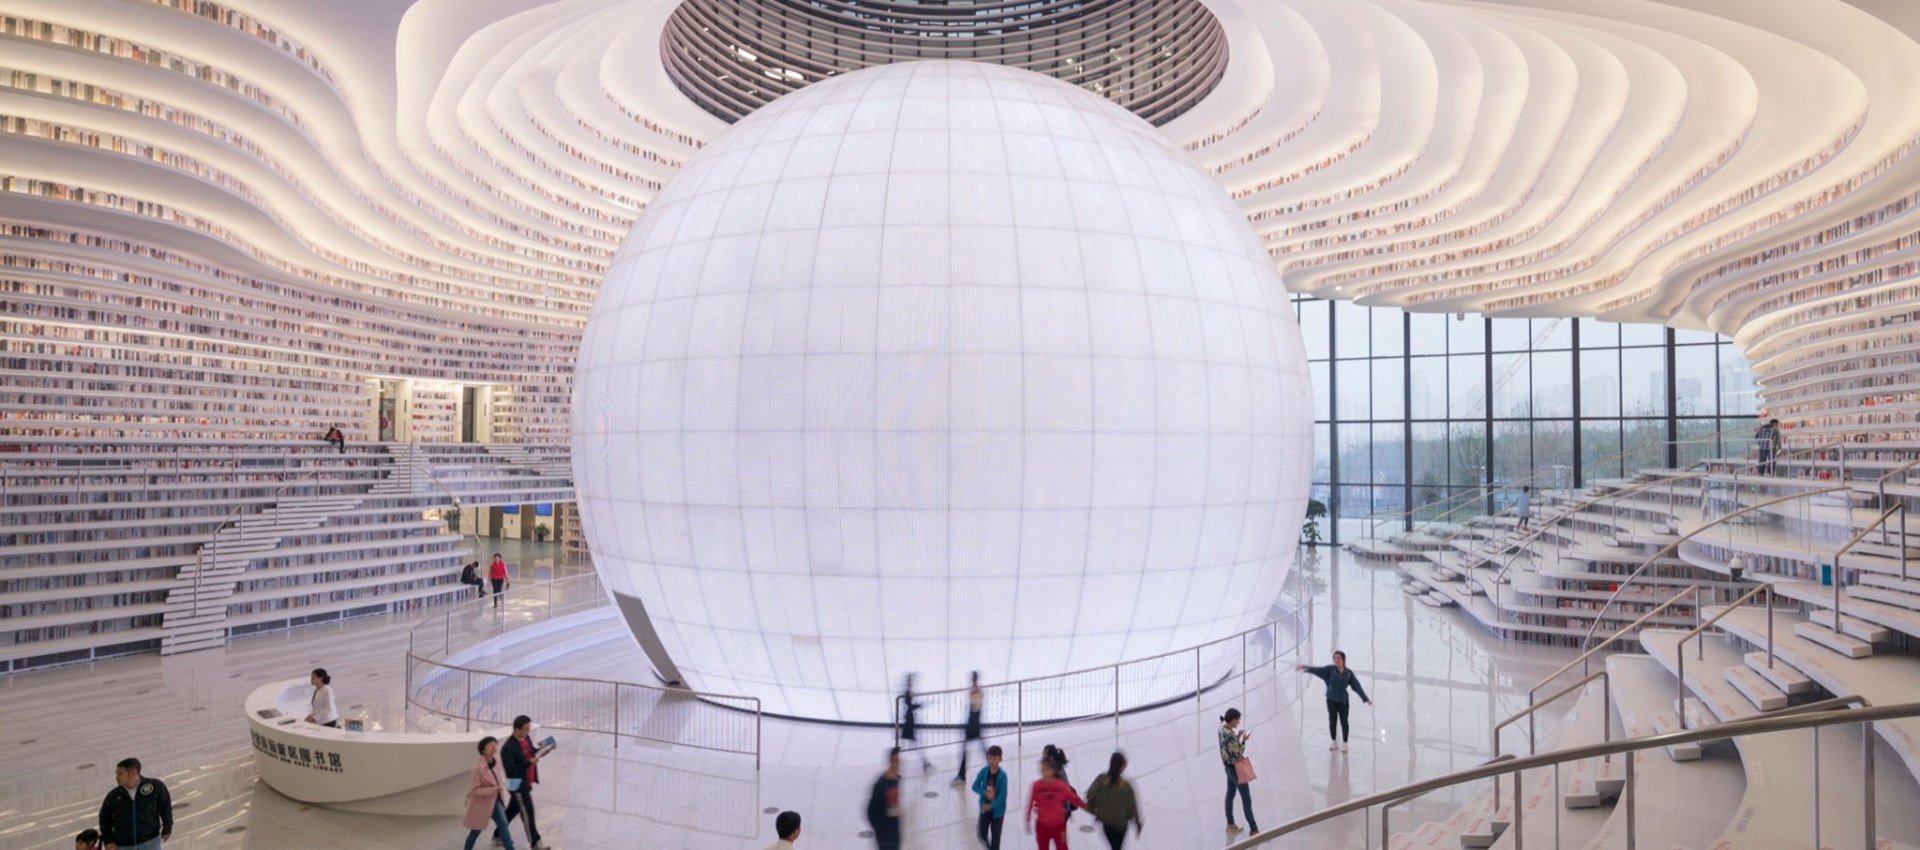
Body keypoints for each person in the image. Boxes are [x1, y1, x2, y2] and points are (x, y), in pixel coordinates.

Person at [1298, 651, 1371, 752]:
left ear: (1343, 660)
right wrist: (1305, 667)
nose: (1336, 660)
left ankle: (1345, 743)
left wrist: (1364, 697)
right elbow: (1317, 670)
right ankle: (1333, 741)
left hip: (1343, 701)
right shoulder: (1329, 670)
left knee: (1344, 722)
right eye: (1334, 658)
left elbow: (1356, 686)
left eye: (1338, 658)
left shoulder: (1348, 673)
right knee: (1333, 721)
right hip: (1331, 700)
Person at [496, 715, 549, 849]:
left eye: (529, 728)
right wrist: (528, 762)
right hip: (516, 785)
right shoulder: (507, 748)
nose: (528, 732)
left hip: (526, 782)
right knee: (528, 812)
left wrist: (543, 750)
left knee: (513, 810)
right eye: (525, 729)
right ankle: (535, 843)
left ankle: (498, 835)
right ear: (516, 729)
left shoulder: (526, 738)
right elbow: (512, 771)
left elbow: (532, 751)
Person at [98, 757, 172, 850]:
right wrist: (108, 840)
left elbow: (165, 807)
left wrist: (167, 827)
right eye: (116, 774)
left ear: (133, 773)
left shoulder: (154, 786)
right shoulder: (113, 796)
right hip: (124, 845)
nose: (116, 777)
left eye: (120, 774)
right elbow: (104, 818)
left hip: (150, 842)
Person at [463, 737, 516, 850]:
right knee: (475, 831)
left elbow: (498, 779)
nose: (494, 747)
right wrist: (495, 789)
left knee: (503, 824)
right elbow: (475, 790)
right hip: (482, 803)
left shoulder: (496, 761)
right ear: (483, 750)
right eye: (490, 745)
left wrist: (504, 785)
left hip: (496, 800)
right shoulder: (477, 768)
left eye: (495, 744)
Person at [1084, 751, 1143, 850]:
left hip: (1106, 823)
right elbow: (1132, 808)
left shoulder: (1101, 779)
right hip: (1120, 826)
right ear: (1123, 766)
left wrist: (1092, 807)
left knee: (1114, 846)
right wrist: (1138, 823)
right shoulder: (1126, 787)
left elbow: (1090, 794)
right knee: (1117, 847)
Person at [1024, 758, 1085, 850]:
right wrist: (1027, 819)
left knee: (1062, 847)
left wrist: (1086, 806)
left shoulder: (1060, 786)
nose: (1045, 773)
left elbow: (1073, 798)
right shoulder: (1036, 786)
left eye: (1047, 770)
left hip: (1059, 826)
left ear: (1053, 771)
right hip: (1042, 826)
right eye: (1043, 770)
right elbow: (1030, 803)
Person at [1218, 709, 1258, 835]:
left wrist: (1238, 736)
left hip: (1228, 767)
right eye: (1238, 720)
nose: (1239, 722)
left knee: (1230, 793)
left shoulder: (1222, 728)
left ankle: (1230, 823)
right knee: (1246, 799)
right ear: (1233, 720)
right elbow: (1238, 753)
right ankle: (1254, 829)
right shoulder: (1230, 734)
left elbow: (1228, 746)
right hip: (1236, 769)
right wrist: (1244, 740)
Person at [971, 744, 1008, 850]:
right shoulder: (984, 772)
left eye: (994, 759)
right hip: (985, 808)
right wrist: (985, 792)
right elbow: (975, 786)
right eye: (990, 758)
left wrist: (991, 805)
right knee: (982, 833)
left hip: (998, 811)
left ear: (1000, 759)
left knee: (996, 837)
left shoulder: (1002, 776)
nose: (992, 761)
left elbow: (1003, 796)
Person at [865, 748, 903, 850]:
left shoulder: (896, 780)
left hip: (894, 832)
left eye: (899, 760)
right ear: (891, 762)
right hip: (885, 834)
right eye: (896, 760)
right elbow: (870, 810)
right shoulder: (882, 784)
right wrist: (879, 827)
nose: (900, 763)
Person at [954, 671, 987, 783]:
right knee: (968, 750)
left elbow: (976, 706)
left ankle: (962, 776)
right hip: (972, 723)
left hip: (974, 724)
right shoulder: (975, 690)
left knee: (969, 750)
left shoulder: (978, 691)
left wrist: (972, 692)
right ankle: (961, 775)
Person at [898, 674, 931, 771]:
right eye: (910, 681)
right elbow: (909, 705)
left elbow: (909, 705)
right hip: (909, 720)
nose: (911, 683)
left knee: (908, 743)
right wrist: (919, 705)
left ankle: (925, 763)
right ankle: (925, 763)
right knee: (910, 743)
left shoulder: (908, 691)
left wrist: (918, 705)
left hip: (909, 720)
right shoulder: (907, 692)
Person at [1041, 745, 1073, 815]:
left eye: (1044, 754)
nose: (1042, 756)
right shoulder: (1055, 768)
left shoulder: (1056, 771)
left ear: (1050, 756)